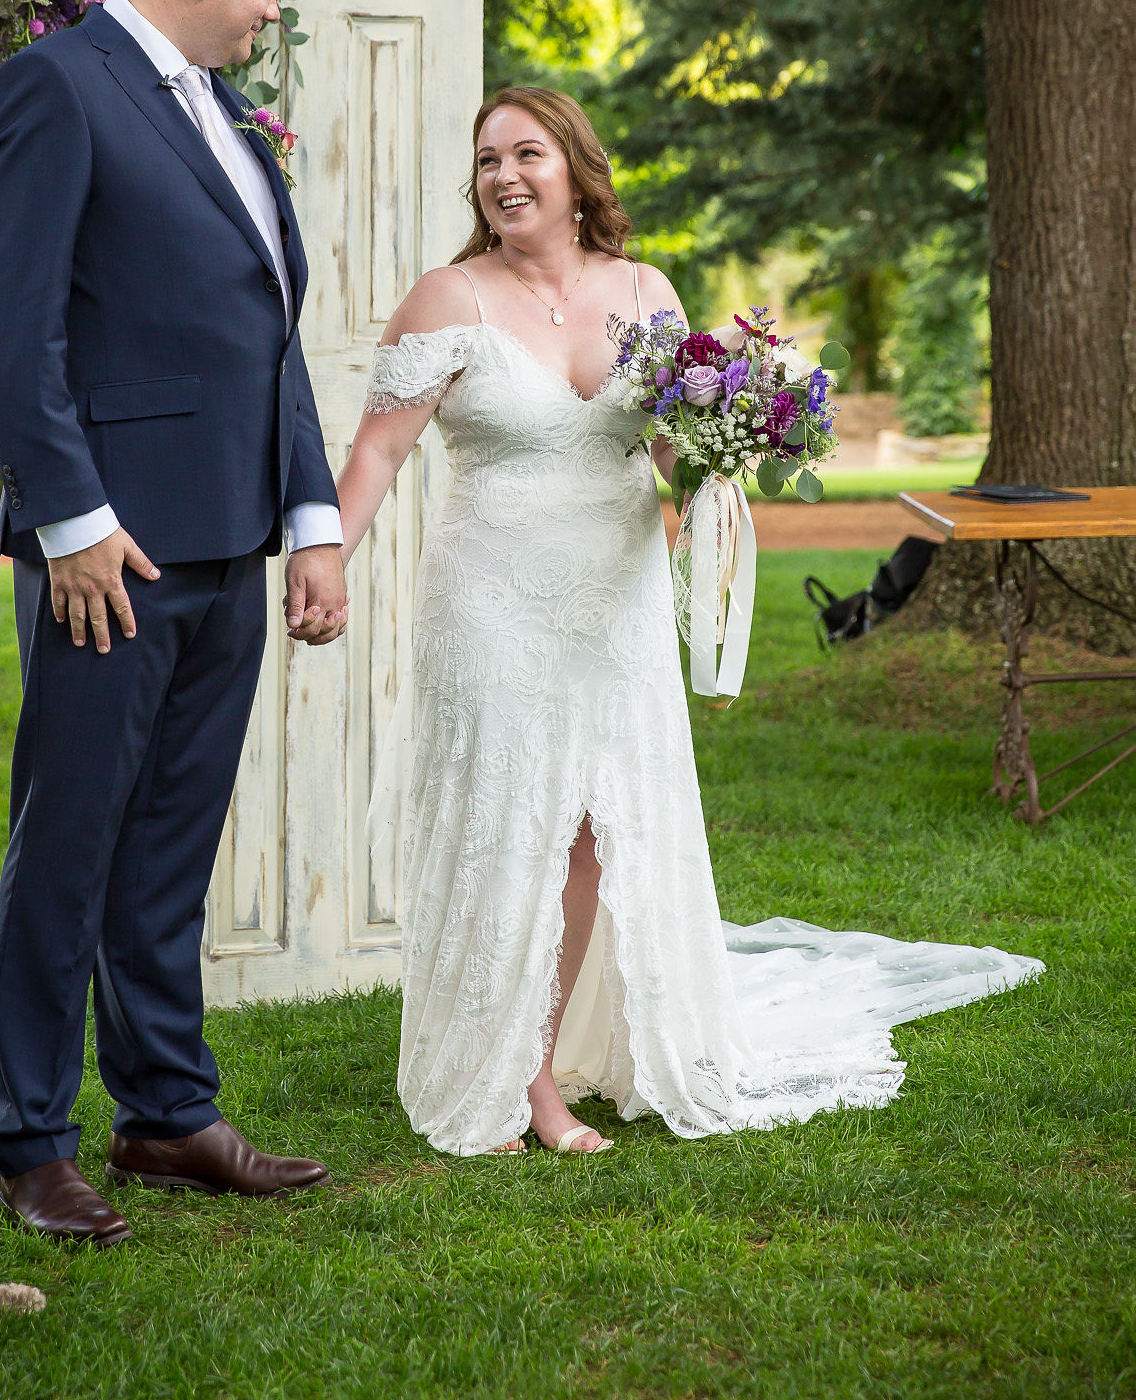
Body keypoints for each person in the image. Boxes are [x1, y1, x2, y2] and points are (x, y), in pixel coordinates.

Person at [335, 86, 1042, 1157]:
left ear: (575, 169)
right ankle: (521, 1081)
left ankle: (546, 1054)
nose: (503, 175)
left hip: (616, 599)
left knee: (586, 834)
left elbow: (670, 449)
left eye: (526, 152)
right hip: (491, 599)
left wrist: (726, 442)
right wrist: (321, 560)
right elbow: (378, 451)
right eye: (486, 159)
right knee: (511, 825)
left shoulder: (642, 289)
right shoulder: (448, 297)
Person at [0, 0, 348, 1244]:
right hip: (108, 556)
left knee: (172, 845)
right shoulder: (57, 88)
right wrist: (71, 524)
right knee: (68, 843)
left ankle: (167, 1115)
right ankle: (30, 1138)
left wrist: (308, 518)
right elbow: (17, 329)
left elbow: (264, 339)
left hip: (232, 544)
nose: (267, 9)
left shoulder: (231, 118)